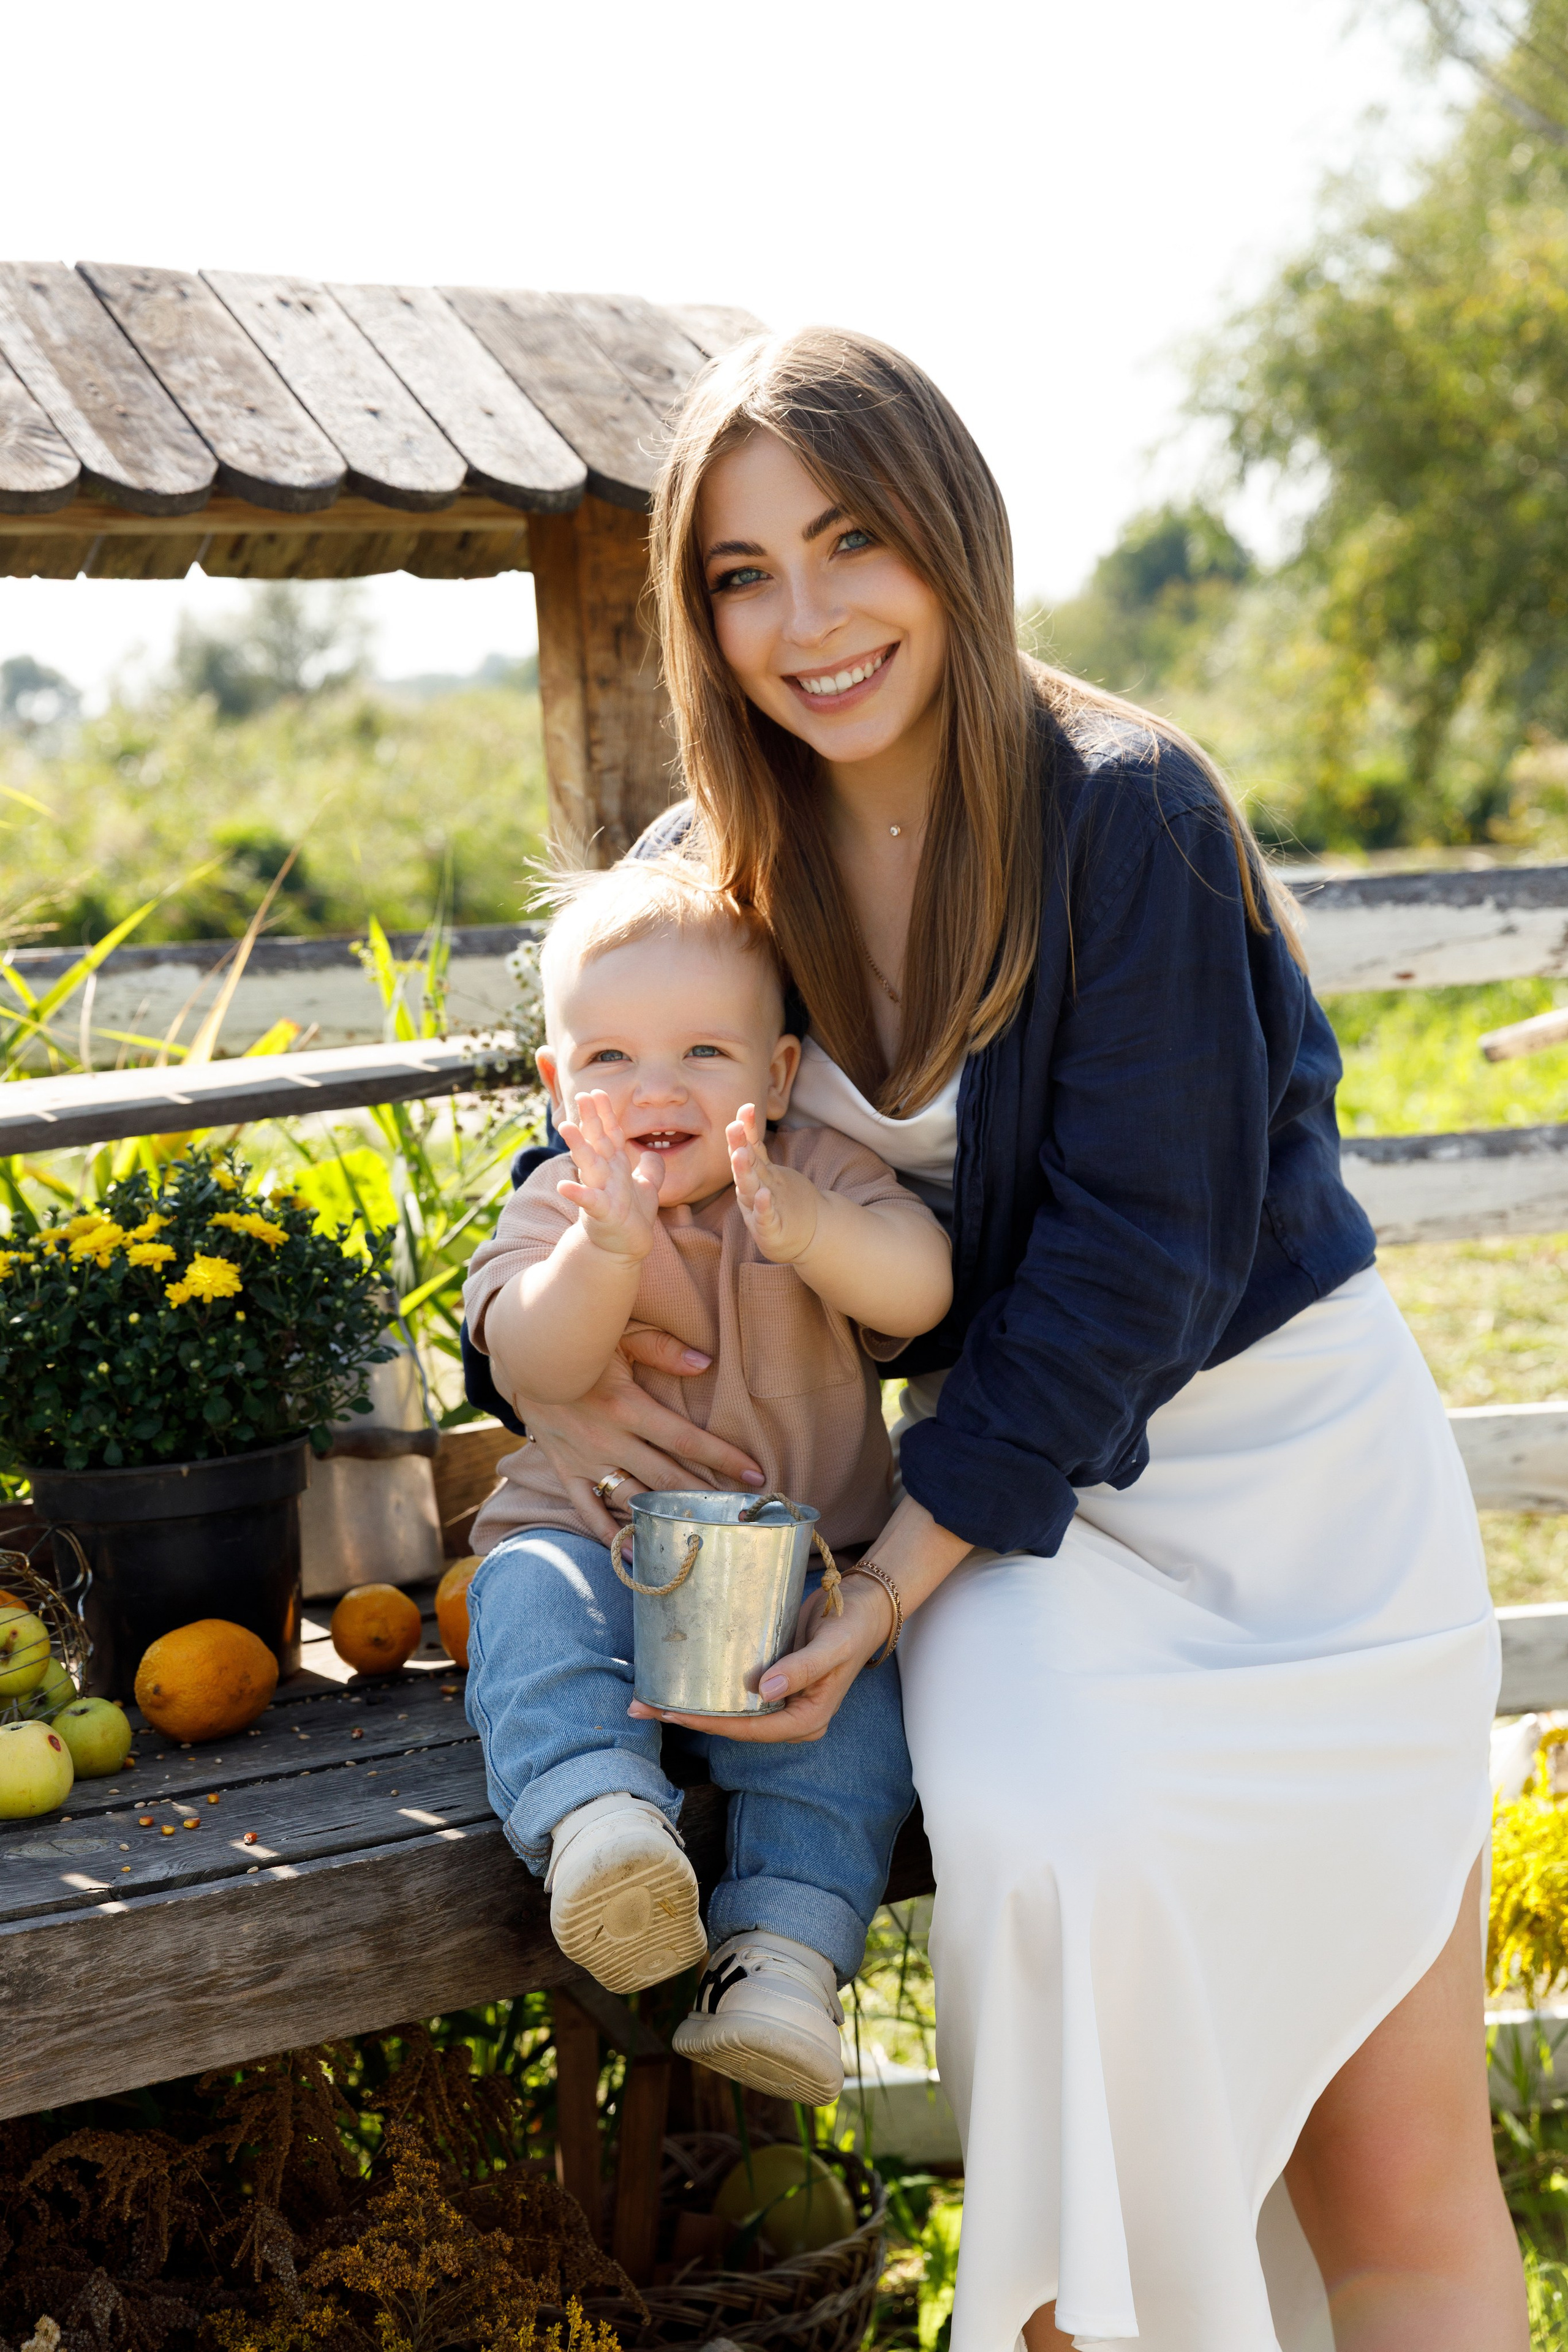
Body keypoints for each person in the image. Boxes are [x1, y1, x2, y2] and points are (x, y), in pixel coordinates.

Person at [477, 328, 1523, 2351]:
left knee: (1397, 2180)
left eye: (852, 540)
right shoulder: (726, 870)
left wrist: (880, 1583)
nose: (808, 617)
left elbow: (1137, 1265)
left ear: (951, 536)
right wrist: (618, 1411)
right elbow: (606, 1140)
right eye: (741, 571)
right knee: (1049, 1901)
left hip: (1283, 1498)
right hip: (1023, 1535)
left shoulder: (1126, 813)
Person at [461, 854, 951, 2105]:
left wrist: (812, 1231)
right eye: (610, 1060)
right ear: (557, 1087)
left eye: (702, 1055)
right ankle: (600, 1827)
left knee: (846, 1727)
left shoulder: (814, 1174)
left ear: (776, 1075)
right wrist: (599, 1251)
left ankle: (778, 1962)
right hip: (594, 1551)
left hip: (796, 1582)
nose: (654, 1088)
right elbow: (525, 1352)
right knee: (521, 1600)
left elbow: (922, 1288)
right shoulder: (563, 1208)